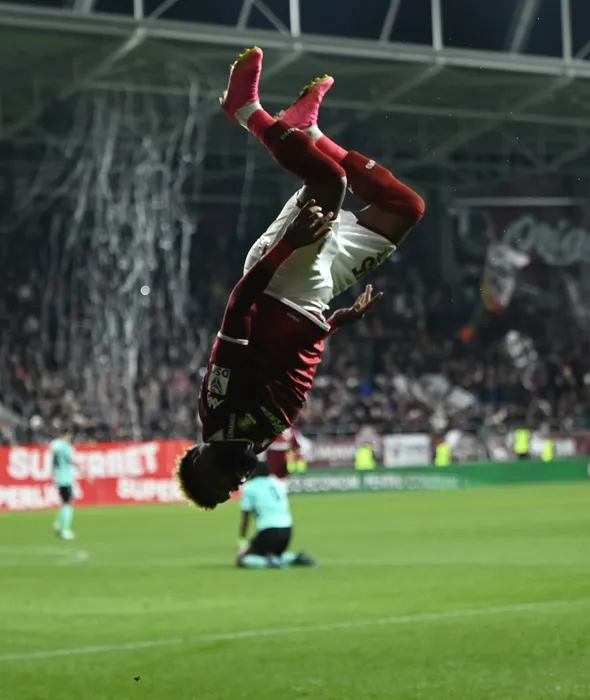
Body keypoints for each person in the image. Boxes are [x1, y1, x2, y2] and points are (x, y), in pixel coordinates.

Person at [176, 47, 425, 510]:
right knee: (404, 208)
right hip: (316, 298)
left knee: (329, 184)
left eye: (220, 486)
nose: (234, 486)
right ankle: (309, 132)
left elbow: (238, 305)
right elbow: (283, 367)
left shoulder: (219, 409)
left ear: (200, 461)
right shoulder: (252, 443)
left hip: (282, 279)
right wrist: (331, 325)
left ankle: (245, 111)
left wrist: (288, 244)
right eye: (230, 493)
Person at [236, 460, 316, 569]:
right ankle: (295, 558)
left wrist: (242, 542)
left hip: (268, 531)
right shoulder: (276, 483)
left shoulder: (250, 487)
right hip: (287, 530)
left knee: (243, 559)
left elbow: (246, 518)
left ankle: (268, 562)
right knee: (275, 554)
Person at [50, 429, 80, 541]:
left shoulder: (55, 446)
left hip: (58, 477)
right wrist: (83, 471)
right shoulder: (66, 447)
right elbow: (72, 460)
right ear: (67, 435)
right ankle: (66, 530)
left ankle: (58, 523)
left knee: (64, 502)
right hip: (66, 478)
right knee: (68, 504)